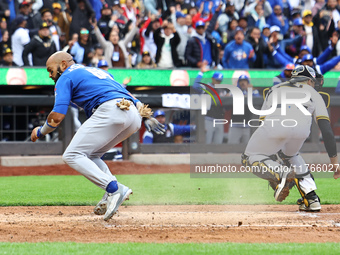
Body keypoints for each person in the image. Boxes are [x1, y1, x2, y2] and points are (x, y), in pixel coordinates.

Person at [30, 51, 165, 221]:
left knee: (71, 155)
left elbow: (57, 116)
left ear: (63, 65)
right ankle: (110, 194)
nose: (50, 75)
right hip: (133, 116)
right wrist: (145, 114)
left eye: (51, 70)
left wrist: (40, 131)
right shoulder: (97, 71)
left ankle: (114, 189)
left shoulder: (65, 76)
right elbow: (127, 94)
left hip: (110, 111)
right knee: (91, 155)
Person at [242, 65, 339, 212]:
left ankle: (280, 173)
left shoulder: (273, 89)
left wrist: (272, 170)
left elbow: (262, 123)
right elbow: (327, 131)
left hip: (275, 127)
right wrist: (335, 164)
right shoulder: (313, 93)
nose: (314, 84)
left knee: (249, 157)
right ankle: (311, 198)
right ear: (308, 80)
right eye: (313, 81)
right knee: (290, 155)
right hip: (301, 131)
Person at [193, 61, 226, 144]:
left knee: (218, 144)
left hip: (219, 120)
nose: (218, 82)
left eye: (219, 81)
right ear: (212, 79)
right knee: (207, 143)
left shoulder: (222, 90)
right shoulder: (206, 87)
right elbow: (195, 86)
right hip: (208, 119)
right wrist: (201, 72)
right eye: (216, 80)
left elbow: (226, 106)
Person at [227, 74, 260, 144]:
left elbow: (259, 101)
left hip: (248, 125)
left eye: (245, 81)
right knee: (232, 147)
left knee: (246, 148)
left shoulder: (254, 92)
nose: (243, 83)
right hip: (235, 124)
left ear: (248, 82)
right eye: (241, 81)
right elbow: (227, 106)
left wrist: (249, 91)